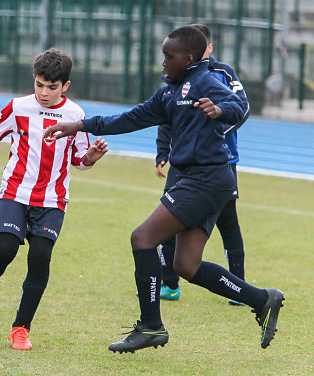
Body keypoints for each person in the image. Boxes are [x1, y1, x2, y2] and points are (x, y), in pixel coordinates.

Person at [44, 26, 284, 353]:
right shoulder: (171, 90)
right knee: (186, 265)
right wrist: (79, 125)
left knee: (142, 238)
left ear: (188, 58)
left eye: (168, 57)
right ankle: (262, 298)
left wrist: (220, 110)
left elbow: (239, 107)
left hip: (205, 180)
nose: (163, 63)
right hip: (201, 180)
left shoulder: (204, 80)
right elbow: (130, 118)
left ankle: (151, 327)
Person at [0, 48, 108, 351]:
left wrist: (91, 157)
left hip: (52, 199)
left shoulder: (76, 116)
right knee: (3, 248)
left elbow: (79, 161)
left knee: (39, 258)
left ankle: (20, 328)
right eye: (39, 84)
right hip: (16, 191)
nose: (44, 92)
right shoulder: (18, 107)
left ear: (65, 86)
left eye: (51, 87)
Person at [156, 24, 250, 305]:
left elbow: (241, 108)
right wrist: (163, 151)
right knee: (168, 216)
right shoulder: (176, 75)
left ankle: (240, 288)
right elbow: (165, 115)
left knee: (228, 222)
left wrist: (214, 132)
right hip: (182, 164)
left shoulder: (221, 74)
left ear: (209, 48)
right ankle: (169, 283)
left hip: (219, 163)